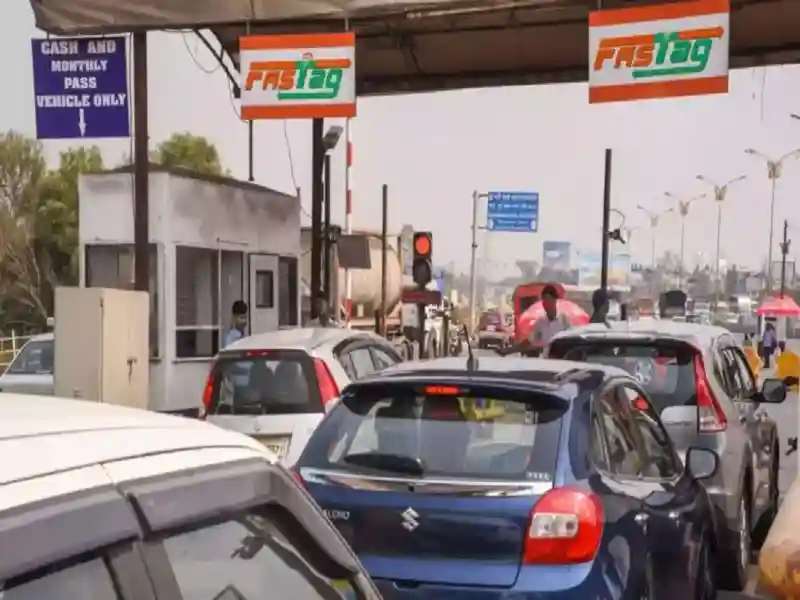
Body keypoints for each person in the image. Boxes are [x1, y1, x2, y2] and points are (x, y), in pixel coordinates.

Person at [497, 284, 571, 356]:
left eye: (548, 301)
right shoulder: (540, 322)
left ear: (555, 301)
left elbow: (571, 342)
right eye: (544, 302)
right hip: (546, 361)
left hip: (561, 362)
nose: (546, 305)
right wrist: (509, 350)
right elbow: (528, 342)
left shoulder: (564, 320)